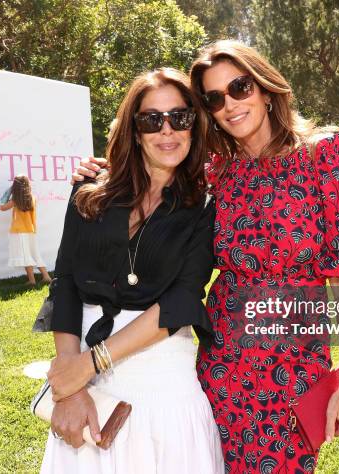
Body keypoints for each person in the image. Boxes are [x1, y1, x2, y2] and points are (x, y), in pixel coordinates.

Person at [74, 40, 339, 473]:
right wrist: (104, 172)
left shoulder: (324, 154)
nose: (230, 105)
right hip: (220, 363)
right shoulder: (217, 169)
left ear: (263, 86)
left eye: (240, 87)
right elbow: (156, 173)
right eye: (214, 98)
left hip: (293, 366)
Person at [40, 68, 223, 473]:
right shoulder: (90, 190)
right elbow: (66, 280)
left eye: (180, 117)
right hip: (83, 373)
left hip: (162, 381)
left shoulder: (205, 206)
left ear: (195, 124)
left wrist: (89, 365)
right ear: (134, 129)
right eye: (151, 119)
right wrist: (70, 384)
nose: (167, 130)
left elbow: (182, 299)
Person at [0, 175, 51, 286]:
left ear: (15, 186)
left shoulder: (16, 200)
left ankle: (32, 280)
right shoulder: (32, 197)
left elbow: (2, 207)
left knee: (26, 255)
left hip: (19, 231)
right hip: (30, 230)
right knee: (34, 253)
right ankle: (46, 276)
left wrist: (8, 192)